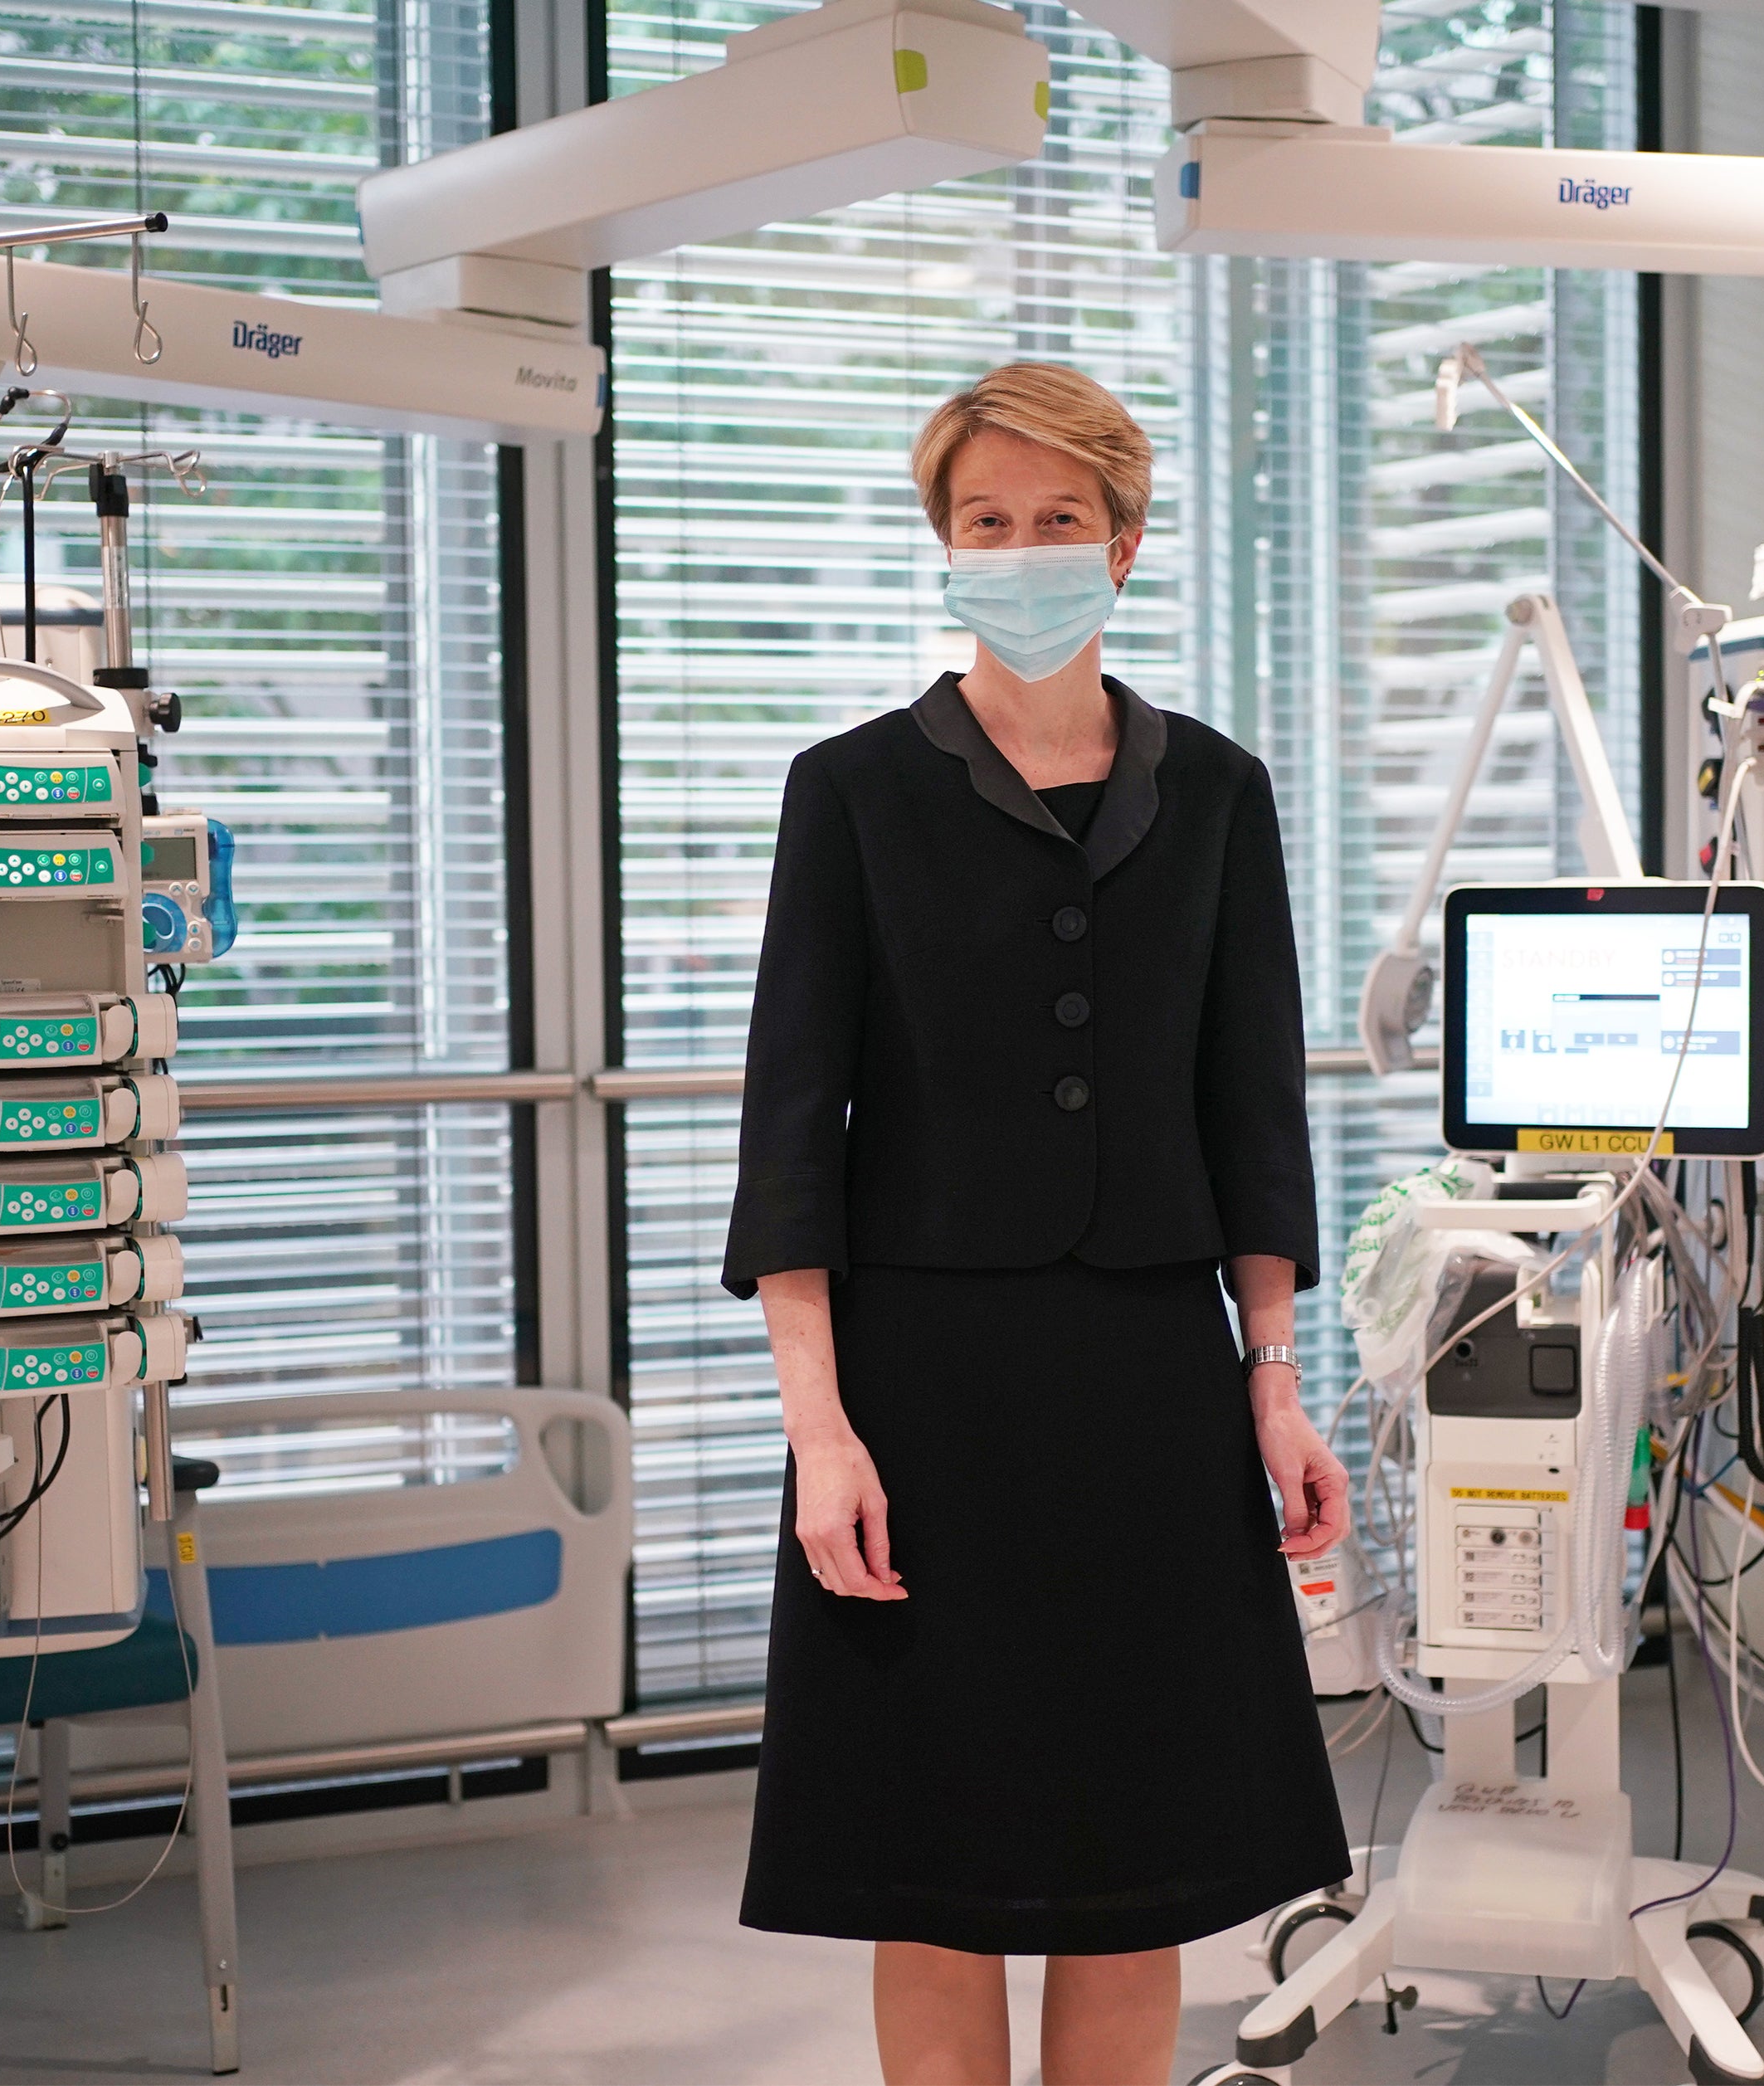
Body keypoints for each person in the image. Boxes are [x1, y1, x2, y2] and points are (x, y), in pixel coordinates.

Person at [724, 362, 1354, 2086]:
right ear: (941, 546)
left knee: (1131, 1871)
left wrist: (1274, 1378)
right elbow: (790, 1134)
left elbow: (1252, 1115)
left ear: (1124, 544)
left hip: (1148, 1380)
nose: (1021, 552)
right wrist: (816, 1431)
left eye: (1056, 521)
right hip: (920, 1391)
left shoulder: (1214, 795)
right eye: (984, 523)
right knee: (927, 1871)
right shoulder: (849, 793)